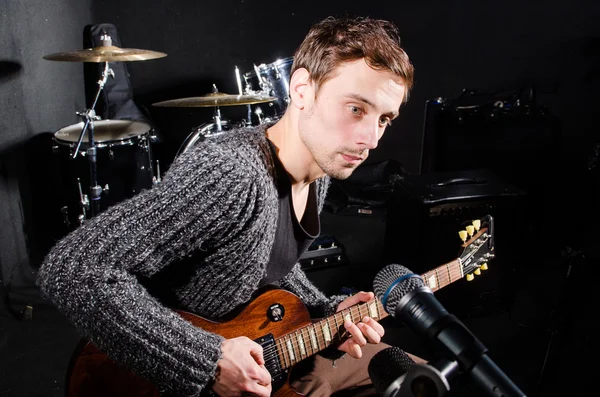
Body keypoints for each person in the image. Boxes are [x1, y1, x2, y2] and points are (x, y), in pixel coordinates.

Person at [37, 15, 417, 397]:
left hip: (263, 351)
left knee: (416, 380)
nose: (370, 138)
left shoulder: (319, 170)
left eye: (384, 119)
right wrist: (207, 360)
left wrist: (324, 312)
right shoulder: (232, 175)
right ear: (302, 89)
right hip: (161, 377)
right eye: (355, 109)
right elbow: (73, 268)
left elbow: (267, 264)